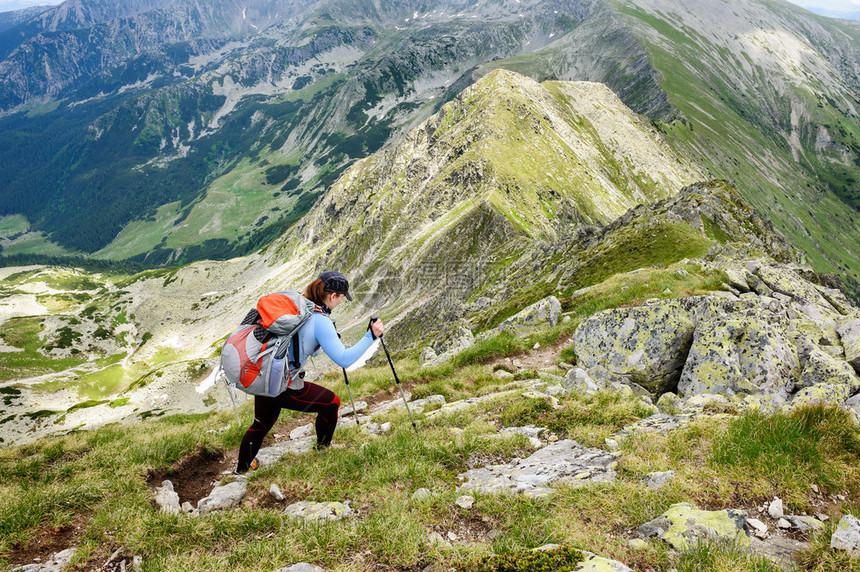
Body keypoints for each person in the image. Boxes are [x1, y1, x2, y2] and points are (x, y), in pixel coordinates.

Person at [236, 270, 384, 473]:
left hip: (265, 372)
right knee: (332, 404)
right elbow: (344, 360)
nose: (341, 302)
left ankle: (241, 470)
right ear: (332, 296)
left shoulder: (300, 305)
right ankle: (324, 448)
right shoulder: (320, 320)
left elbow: (304, 345)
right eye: (341, 298)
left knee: (261, 423)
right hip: (284, 383)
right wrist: (371, 336)